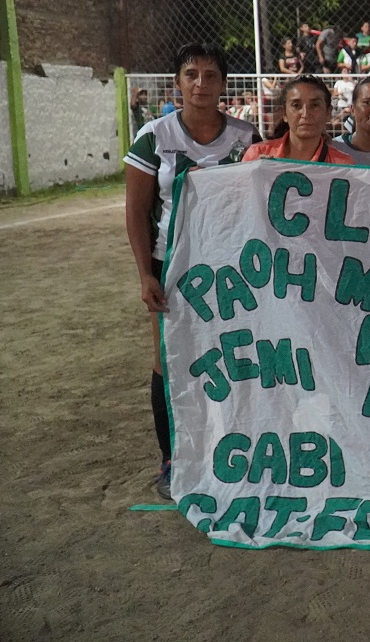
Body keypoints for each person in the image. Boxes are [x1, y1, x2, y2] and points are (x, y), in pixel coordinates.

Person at [123, 43, 261, 500]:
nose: (201, 83)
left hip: (231, 263)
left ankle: (235, 450)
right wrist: (146, 273)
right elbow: (136, 210)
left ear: (224, 84)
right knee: (169, 360)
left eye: (210, 75)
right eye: (191, 74)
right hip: (173, 262)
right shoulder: (154, 136)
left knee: (234, 355)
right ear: (177, 82)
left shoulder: (246, 135)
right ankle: (172, 459)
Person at [242, 75, 355, 164]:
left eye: (315, 105)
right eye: (296, 106)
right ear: (284, 113)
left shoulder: (343, 165)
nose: (305, 114)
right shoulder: (257, 155)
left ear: (328, 112)